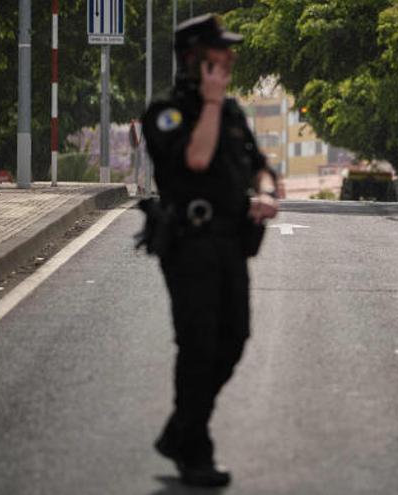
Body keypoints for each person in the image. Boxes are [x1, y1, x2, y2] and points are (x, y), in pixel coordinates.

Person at [141, 13, 279, 488]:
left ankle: (180, 430)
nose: (229, 59)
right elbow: (196, 159)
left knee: (235, 338)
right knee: (198, 346)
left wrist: (264, 192)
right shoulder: (166, 112)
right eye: (218, 54)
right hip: (188, 244)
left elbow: (262, 167)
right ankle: (194, 448)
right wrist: (212, 102)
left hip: (232, 243)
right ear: (193, 60)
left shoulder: (235, 112)